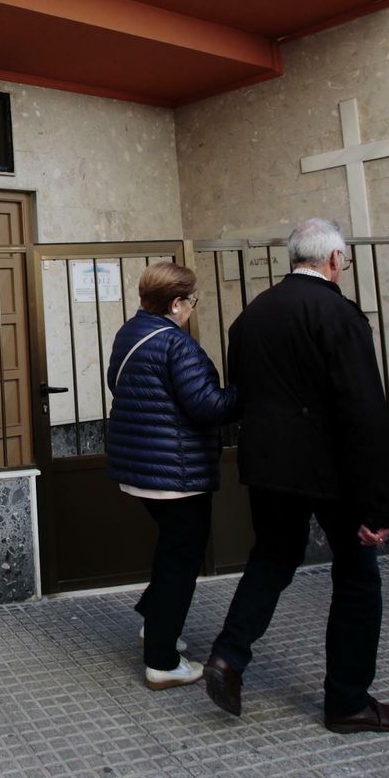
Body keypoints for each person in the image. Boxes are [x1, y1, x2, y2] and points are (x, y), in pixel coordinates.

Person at [200, 218, 389, 733]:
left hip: (270, 468)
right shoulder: (338, 314)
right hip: (333, 471)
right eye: (346, 260)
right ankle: (347, 701)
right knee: (358, 577)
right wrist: (378, 504)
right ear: (334, 259)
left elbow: (248, 395)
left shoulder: (251, 316)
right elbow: (364, 412)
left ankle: (228, 656)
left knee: (272, 559)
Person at [106, 260, 240, 691]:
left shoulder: (131, 332)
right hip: (175, 473)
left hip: (141, 467)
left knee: (172, 549)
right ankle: (162, 661)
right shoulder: (176, 345)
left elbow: (117, 383)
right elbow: (209, 407)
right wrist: (245, 389)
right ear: (177, 303)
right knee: (182, 559)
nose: (192, 308)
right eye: (191, 300)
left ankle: (155, 623)